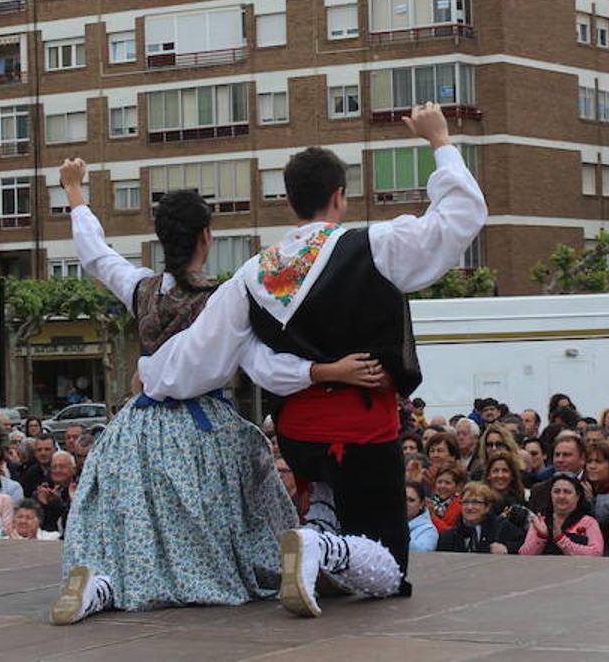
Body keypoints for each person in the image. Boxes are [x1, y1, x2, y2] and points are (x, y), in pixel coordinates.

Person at [134, 104, 486, 618]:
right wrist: (440, 143)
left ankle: (315, 535)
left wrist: (150, 375)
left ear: (288, 201)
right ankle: (323, 547)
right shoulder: (375, 246)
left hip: (297, 433)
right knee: (388, 567)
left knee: (325, 497)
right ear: (339, 196)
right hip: (363, 430)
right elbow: (459, 219)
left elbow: (200, 355)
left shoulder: (255, 274)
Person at [52, 172, 381, 624]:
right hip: (202, 431)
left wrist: (74, 192)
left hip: (137, 429)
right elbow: (263, 366)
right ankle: (290, 564)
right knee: (247, 522)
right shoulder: (225, 299)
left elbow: (95, 255)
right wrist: (327, 371)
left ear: (163, 239)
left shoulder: (140, 287)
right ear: (207, 237)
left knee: (132, 523)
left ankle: (104, 584)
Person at [519, 473, 603, 557]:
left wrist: (561, 540)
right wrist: (541, 536)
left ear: (578, 496)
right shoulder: (540, 521)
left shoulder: (589, 522)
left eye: (567, 492)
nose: (561, 496)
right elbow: (524, 555)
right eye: (556, 491)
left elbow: (596, 553)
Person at [436, 482, 525, 554]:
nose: (469, 507)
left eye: (476, 502)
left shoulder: (501, 527)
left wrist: (507, 548)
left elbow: (523, 545)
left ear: (487, 507)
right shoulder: (448, 536)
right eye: (466, 502)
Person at [484, 454, 529, 532]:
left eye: (505, 471)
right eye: (495, 471)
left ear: (512, 476)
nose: (500, 475)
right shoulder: (480, 501)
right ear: (488, 475)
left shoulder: (522, 501)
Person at [427, 464, 465, 533]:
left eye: (447, 483)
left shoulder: (461, 506)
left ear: (458, 486)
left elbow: (451, 534)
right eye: (439, 482)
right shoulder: (430, 502)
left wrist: (432, 516)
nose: (442, 486)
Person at [404, 482, 438, 552]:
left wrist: (397, 532)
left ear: (421, 504)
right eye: (402, 498)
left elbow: (423, 552)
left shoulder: (429, 529)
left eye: (411, 500)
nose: (405, 503)